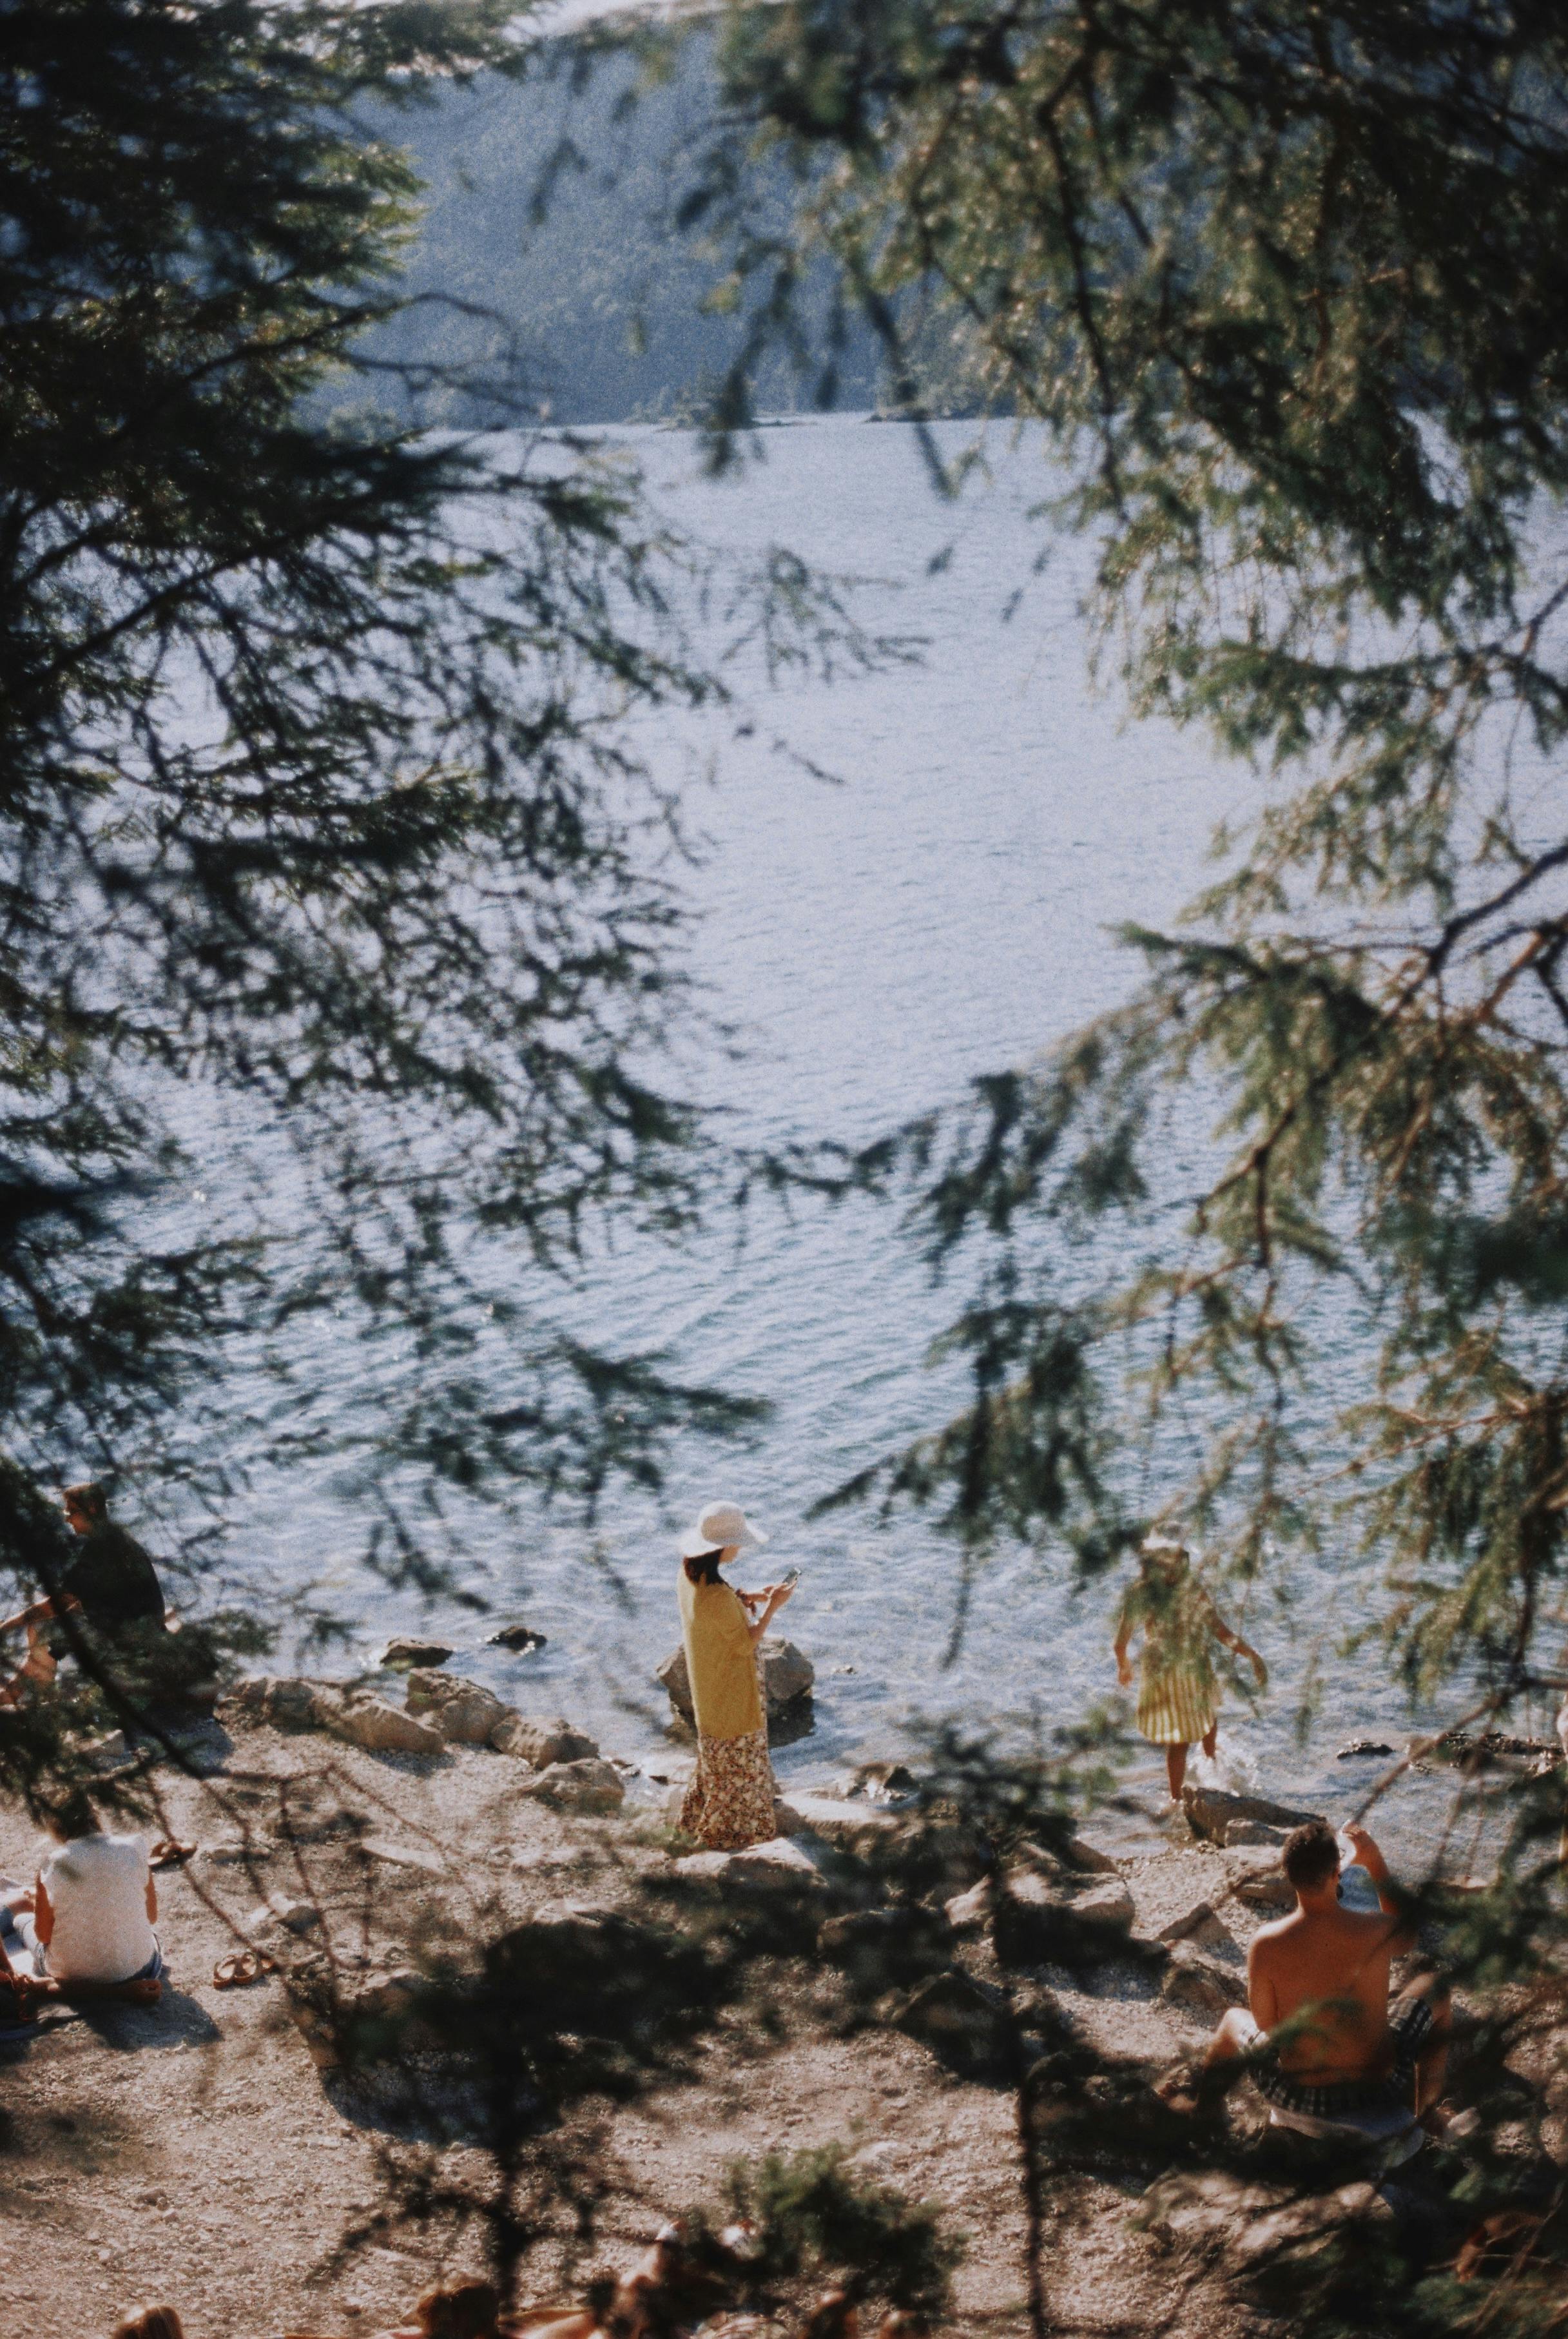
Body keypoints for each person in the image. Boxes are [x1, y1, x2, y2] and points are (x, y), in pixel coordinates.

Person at [1187, 1817, 1449, 2128]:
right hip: (1379, 2089)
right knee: (1436, 1988)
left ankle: (1204, 2112)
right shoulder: (1374, 1928)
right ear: (1338, 1871)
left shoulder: (1267, 1943)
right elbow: (1408, 1936)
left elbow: (1266, 2025)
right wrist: (1375, 1864)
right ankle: (1428, 2113)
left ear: (1288, 1875)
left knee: (1233, 2020)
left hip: (1298, 2095)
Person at [675, 1499, 794, 1852]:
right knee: (742, 1773)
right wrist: (773, 1608)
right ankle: (734, 1842)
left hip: (708, 1690)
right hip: (731, 1694)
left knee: (716, 1769)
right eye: (737, 1541)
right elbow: (746, 1644)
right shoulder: (717, 1598)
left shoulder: (689, 1577)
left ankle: (696, 1824)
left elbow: (719, 1607)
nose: (741, 1547)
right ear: (721, 1547)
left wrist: (750, 1596)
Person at [1114, 1534, 1267, 1800]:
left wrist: (1124, 1665)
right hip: (1180, 1668)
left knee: (1201, 1718)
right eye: (1175, 1565)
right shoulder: (1185, 1590)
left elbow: (1120, 1643)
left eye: (1182, 1564)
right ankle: (1180, 1796)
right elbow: (1220, 1631)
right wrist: (1251, 1655)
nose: (1180, 1570)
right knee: (1183, 1736)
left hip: (1174, 1667)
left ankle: (1209, 1765)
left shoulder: (1149, 1592)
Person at [0, 1790, 163, 1986]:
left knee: (21, 1919)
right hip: (138, 1971)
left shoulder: (52, 1864)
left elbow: (43, 1936)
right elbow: (151, 1916)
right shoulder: (133, 1848)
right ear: (94, 1815)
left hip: (70, 1975)